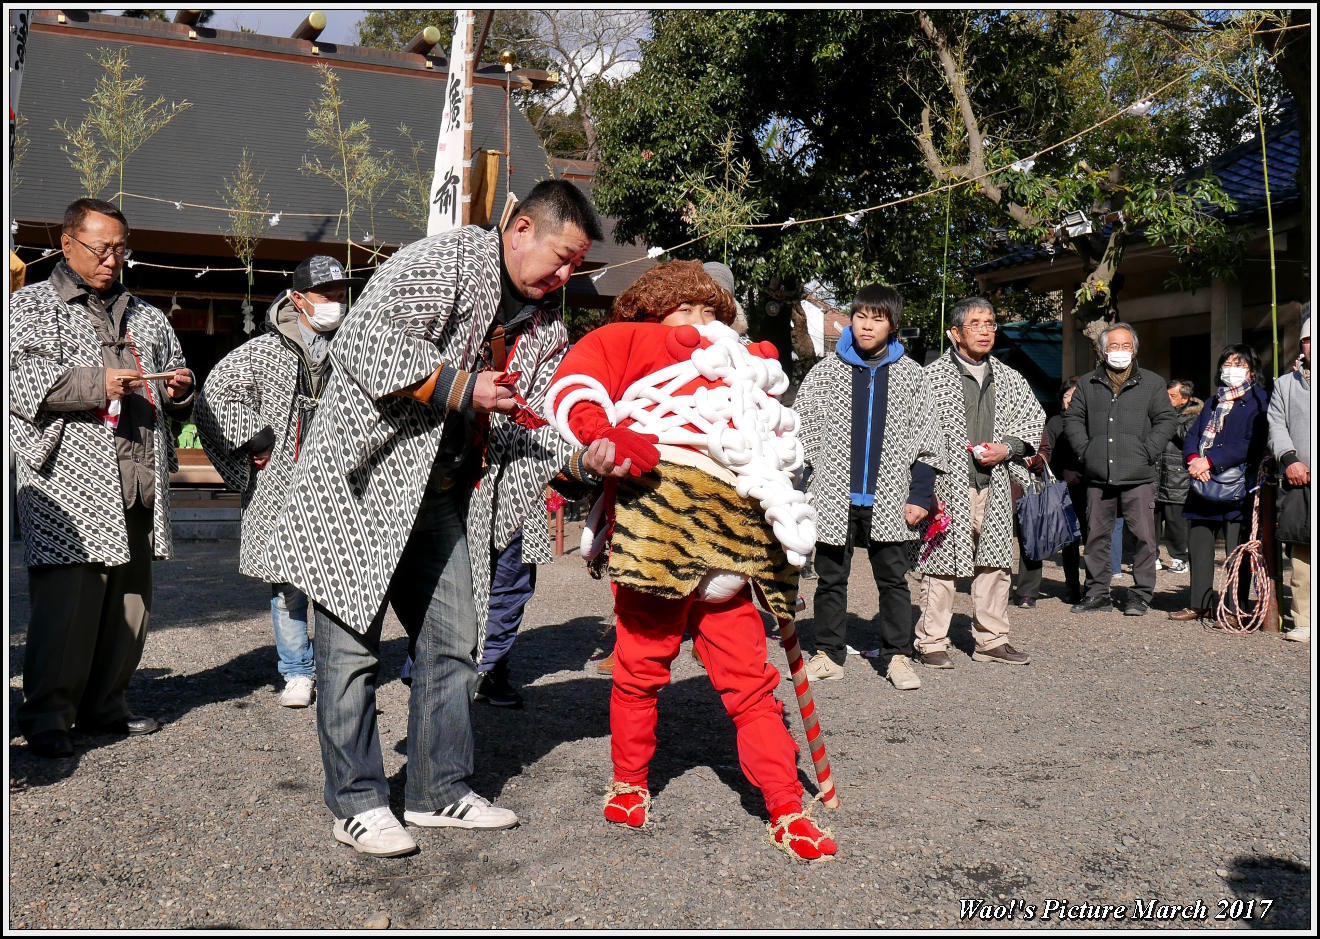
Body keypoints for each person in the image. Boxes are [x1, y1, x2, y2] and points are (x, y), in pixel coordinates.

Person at [264, 180, 618, 857]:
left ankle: (437, 789)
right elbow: (365, 342)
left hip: (441, 494)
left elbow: (536, 424)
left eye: (578, 264)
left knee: (455, 641)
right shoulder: (444, 260)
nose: (567, 274)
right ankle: (358, 802)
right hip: (360, 483)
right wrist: (463, 386)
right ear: (519, 230)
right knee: (350, 653)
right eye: (562, 256)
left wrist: (586, 463)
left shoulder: (548, 330)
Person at [544, 260, 837, 862]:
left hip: (733, 545)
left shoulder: (745, 361)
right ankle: (629, 779)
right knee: (639, 668)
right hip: (660, 531)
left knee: (751, 684)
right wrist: (601, 432)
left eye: (711, 311)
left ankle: (785, 804)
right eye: (687, 311)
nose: (702, 323)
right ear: (654, 310)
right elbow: (577, 383)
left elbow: (778, 446)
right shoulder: (630, 338)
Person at [10, 198, 195, 759]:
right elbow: (17, 381)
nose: (113, 259)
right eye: (101, 247)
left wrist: (179, 391)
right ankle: (47, 716)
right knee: (70, 603)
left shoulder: (148, 315)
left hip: (137, 473)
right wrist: (97, 383)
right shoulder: (29, 308)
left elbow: (172, 379)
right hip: (69, 479)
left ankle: (107, 706)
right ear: (67, 244)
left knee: (132, 602)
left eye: (120, 248)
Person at [194, 255, 361, 708]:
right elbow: (213, 394)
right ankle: (297, 670)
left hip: (342, 474)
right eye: (326, 295)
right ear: (298, 299)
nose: (335, 303)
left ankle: (339, 668)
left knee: (339, 573)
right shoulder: (263, 351)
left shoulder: (357, 344)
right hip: (283, 477)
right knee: (287, 579)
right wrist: (254, 436)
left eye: (341, 294)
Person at [795, 284, 942, 689]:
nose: (867, 325)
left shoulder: (912, 376)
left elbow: (928, 439)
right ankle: (828, 653)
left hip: (891, 496)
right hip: (832, 494)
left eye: (877, 318)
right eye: (861, 316)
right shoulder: (826, 371)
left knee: (894, 581)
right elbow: (799, 432)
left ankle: (897, 655)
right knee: (829, 578)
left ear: (892, 324)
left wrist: (919, 495)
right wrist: (797, 488)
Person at [914, 297, 1044, 667]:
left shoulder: (1009, 376)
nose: (986, 330)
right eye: (976, 324)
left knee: (996, 562)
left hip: (995, 482)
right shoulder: (930, 377)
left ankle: (992, 640)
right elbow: (914, 429)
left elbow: (1032, 421)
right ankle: (932, 641)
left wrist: (1007, 448)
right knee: (940, 562)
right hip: (946, 482)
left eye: (990, 323)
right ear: (955, 333)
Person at [1064, 322, 1176, 617]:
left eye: (1126, 346)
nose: (1120, 351)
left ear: (1135, 349)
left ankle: (1140, 595)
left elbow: (1167, 421)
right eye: (1113, 346)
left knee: (1143, 536)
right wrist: (1087, 452)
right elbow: (1073, 420)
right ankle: (1097, 591)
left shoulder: (1151, 383)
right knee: (1096, 536)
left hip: (1138, 474)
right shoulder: (1088, 383)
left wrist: (1147, 451)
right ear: (1102, 351)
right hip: (1098, 475)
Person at [1170, 344, 1270, 622]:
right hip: (1202, 483)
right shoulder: (1214, 401)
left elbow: (1252, 442)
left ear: (1251, 370)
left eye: (1239, 364)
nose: (1232, 369)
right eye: (1228, 363)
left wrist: (1211, 460)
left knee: (1238, 548)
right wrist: (1193, 458)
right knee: (1199, 544)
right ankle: (1199, 602)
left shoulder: (1261, 400)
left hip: (1238, 483)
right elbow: (1193, 434)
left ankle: (1236, 606)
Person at [1269, 310, 1310, 642]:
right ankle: (1304, 619)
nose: (1312, 347)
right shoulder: (1285, 384)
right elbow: (1276, 426)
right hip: (1301, 477)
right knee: (1302, 553)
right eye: (1308, 341)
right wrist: (1290, 459)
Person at [1155, 379, 1203, 574]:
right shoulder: (1159, 413)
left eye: (1172, 396)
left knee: (1176, 521)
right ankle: (1151, 555)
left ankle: (1179, 557)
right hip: (1157, 472)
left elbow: (1186, 437)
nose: (1167, 399)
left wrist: (1168, 419)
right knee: (1152, 519)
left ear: (1185, 399)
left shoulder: (1194, 416)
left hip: (1178, 476)